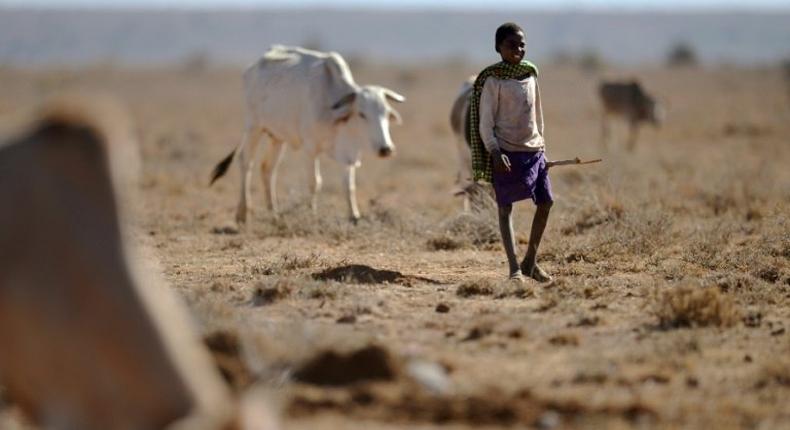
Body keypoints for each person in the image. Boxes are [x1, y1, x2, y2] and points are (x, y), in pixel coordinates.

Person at [466, 22, 553, 282]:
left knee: (546, 202)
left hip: (534, 150)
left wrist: (542, 148)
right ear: (498, 48)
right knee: (505, 209)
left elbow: (538, 116)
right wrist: (494, 150)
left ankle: (530, 262)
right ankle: (514, 268)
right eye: (511, 45)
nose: (518, 49)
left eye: (522, 44)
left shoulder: (531, 74)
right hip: (505, 152)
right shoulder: (492, 80)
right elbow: (485, 122)